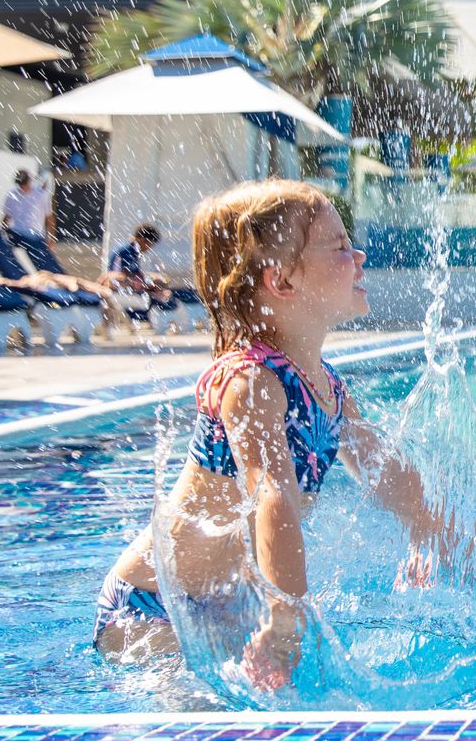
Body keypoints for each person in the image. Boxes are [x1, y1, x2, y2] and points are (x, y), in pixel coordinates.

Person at [92, 180, 454, 686]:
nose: (359, 254)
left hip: (228, 600)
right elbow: (273, 496)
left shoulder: (327, 385)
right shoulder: (250, 382)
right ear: (281, 280)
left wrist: (428, 526)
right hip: (152, 607)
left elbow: (384, 468)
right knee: (203, 715)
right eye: (339, 246)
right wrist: (285, 619)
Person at [103, 221, 178, 307]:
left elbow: (135, 273)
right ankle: (158, 298)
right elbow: (123, 275)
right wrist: (152, 280)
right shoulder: (126, 251)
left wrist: (155, 277)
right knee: (156, 281)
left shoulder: (135, 251)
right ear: (141, 240)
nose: (149, 248)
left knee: (159, 280)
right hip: (116, 285)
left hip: (125, 282)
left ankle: (159, 299)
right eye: (149, 244)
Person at [1, 169, 54, 241]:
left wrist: (51, 238)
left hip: (34, 234)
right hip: (17, 233)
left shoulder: (41, 195)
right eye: (20, 184)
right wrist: (1, 233)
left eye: (24, 183)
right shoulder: (12, 195)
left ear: (30, 181)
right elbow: (7, 217)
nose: (22, 186)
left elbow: (49, 218)